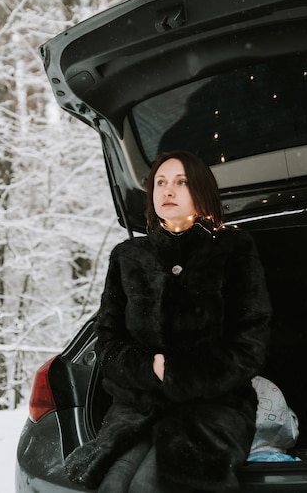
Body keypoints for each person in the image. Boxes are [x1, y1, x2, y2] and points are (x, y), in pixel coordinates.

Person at [65, 150, 272, 492]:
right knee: (113, 483)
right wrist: (149, 367)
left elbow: (249, 345)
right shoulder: (128, 257)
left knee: (157, 484)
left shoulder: (233, 249)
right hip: (136, 408)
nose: (168, 191)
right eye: (160, 182)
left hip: (213, 409)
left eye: (181, 182)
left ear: (201, 192)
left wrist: (177, 373)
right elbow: (107, 341)